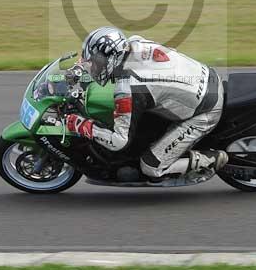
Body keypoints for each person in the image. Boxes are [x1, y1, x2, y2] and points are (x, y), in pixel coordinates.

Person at [64, 26, 228, 180]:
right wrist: (80, 67)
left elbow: (119, 141)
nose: (94, 66)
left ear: (112, 58)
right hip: (206, 77)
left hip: (205, 110)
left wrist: (80, 125)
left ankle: (210, 159)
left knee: (151, 167)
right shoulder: (134, 43)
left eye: (97, 62)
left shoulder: (129, 88)